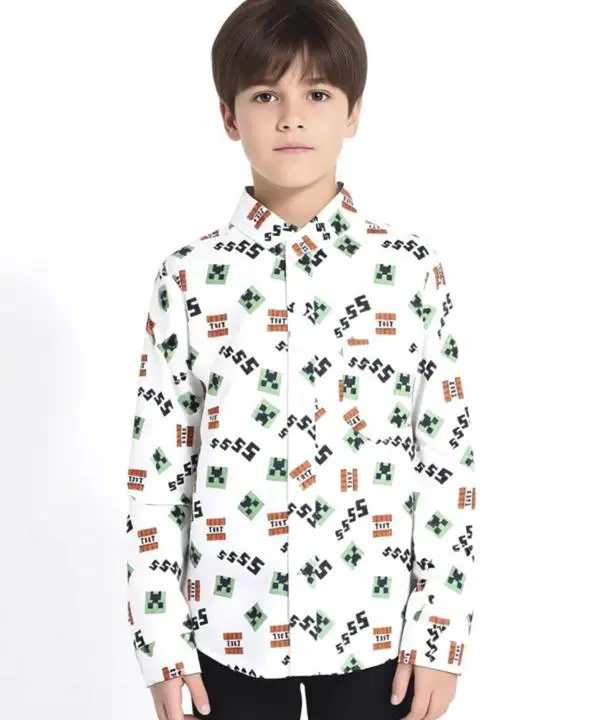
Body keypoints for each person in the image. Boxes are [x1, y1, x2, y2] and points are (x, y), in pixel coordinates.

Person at [125, 1, 477, 718]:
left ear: (353, 112)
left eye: (317, 93)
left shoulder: (409, 270)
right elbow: (158, 472)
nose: (291, 118)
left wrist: (441, 634)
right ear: (229, 116)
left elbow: (446, 458)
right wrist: (160, 645)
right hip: (227, 638)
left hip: (379, 638)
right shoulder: (189, 278)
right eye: (265, 96)